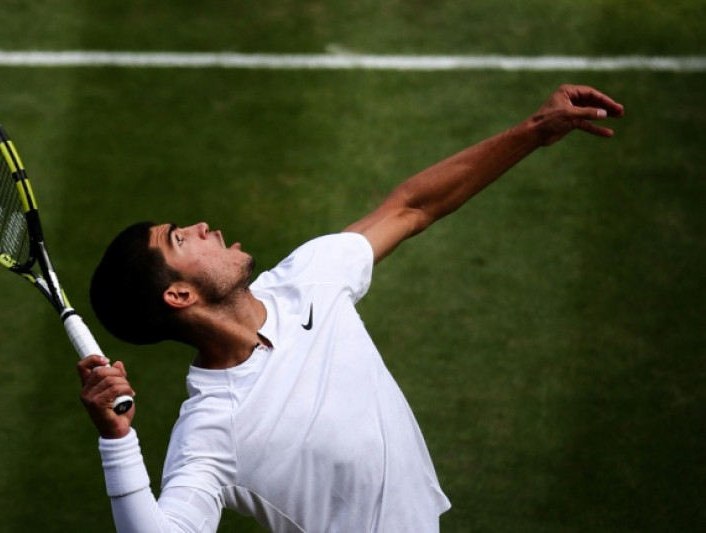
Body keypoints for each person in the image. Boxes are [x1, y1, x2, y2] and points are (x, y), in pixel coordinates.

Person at [77, 84, 624, 532]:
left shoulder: (305, 279)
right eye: (178, 239)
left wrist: (532, 132)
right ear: (179, 295)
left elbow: (412, 206)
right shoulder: (211, 431)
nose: (198, 225)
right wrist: (116, 440)